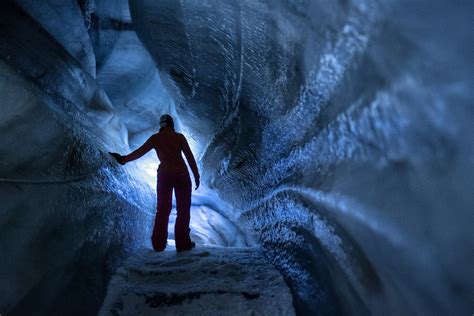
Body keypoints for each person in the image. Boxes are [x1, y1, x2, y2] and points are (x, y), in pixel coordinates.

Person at [109, 114, 200, 252]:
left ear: (161, 125)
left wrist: (123, 159)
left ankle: (158, 245)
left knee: (163, 210)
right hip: (182, 175)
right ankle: (182, 244)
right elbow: (189, 157)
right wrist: (196, 175)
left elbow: (140, 152)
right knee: (183, 210)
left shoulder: (155, 138)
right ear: (171, 124)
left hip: (164, 174)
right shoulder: (179, 137)